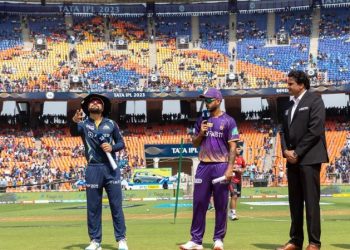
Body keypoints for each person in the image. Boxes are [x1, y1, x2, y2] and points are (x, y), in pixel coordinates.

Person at [180, 88, 240, 250]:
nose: (206, 103)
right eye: (204, 100)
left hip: (221, 166)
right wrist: (201, 133)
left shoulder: (229, 121)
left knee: (221, 204)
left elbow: (233, 146)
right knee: (199, 203)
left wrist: (229, 168)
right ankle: (196, 240)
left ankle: (218, 239)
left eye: (209, 100)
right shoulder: (201, 120)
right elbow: (195, 143)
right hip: (203, 166)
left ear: (218, 100)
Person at [70, 93, 128, 250]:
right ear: (87, 107)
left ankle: (121, 239)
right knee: (93, 208)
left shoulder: (111, 124)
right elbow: (73, 131)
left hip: (111, 168)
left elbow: (121, 142)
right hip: (93, 169)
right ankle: (95, 241)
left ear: (103, 108)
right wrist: (74, 121)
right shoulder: (83, 125)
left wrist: (112, 147)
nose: (95, 103)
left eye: (98, 102)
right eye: (92, 102)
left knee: (116, 205)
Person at [278, 70, 328, 250]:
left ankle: (314, 242)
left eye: (291, 83)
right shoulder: (288, 106)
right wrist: (285, 151)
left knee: (311, 201)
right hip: (292, 160)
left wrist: (297, 152)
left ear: (301, 84)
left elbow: (315, 130)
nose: (288, 86)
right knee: (295, 201)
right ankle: (295, 240)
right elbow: (282, 131)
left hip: (309, 158)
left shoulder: (315, 100)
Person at [228, 141, 246, 221]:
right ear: (234, 149)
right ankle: (233, 214)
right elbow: (227, 167)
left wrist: (242, 170)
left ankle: (229, 212)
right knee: (234, 196)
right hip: (232, 180)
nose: (239, 151)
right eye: (238, 149)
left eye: (240, 149)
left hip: (239, 180)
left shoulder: (241, 158)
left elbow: (244, 167)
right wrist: (234, 169)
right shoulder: (231, 157)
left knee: (236, 197)